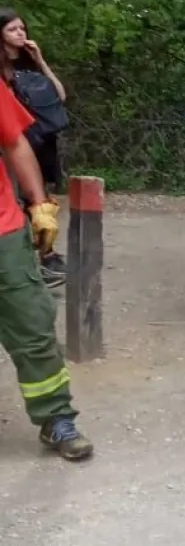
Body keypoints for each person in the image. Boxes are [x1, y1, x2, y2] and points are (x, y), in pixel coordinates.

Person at [0, 80, 93, 461]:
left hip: (3, 230)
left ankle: (56, 417)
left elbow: (15, 141)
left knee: (33, 325)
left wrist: (39, 204)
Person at [0, 8, 68, 288]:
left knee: (41, 201)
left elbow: (60, 96)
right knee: (18, 199)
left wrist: (41, 61)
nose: (20, 33)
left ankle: (46, 256)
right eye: (12, 29)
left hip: (40, 140)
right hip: (13, 142)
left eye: (22, 29)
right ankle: (35, 259)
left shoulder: (29, 65)